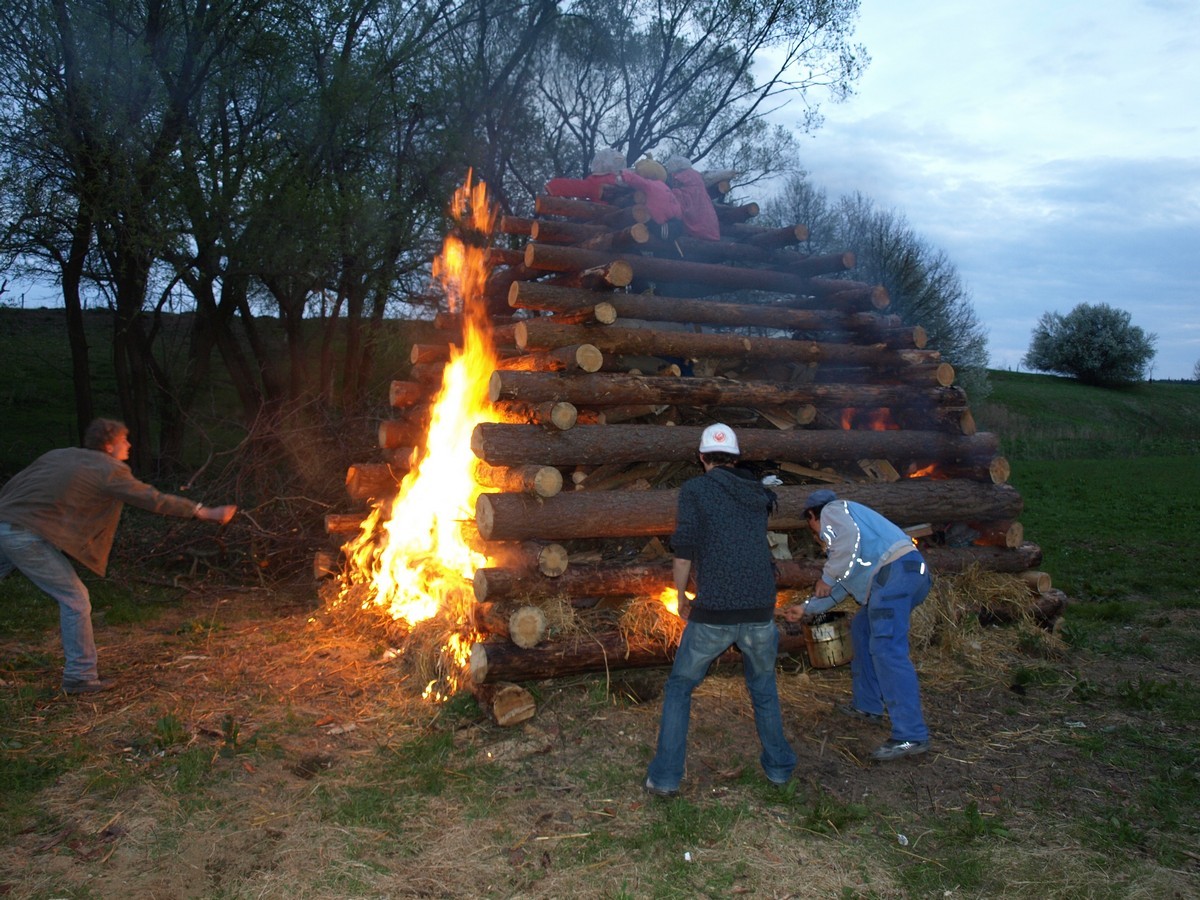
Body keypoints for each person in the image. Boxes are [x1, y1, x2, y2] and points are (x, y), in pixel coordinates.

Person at [0, 419, 236, 694]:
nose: (129, 445)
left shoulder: (60, 455)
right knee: (75, 600)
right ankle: (80, 676)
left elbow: (17, 485)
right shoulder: (109, 470)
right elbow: (152, 498)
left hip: (4, 522)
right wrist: (203, 511)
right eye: (124, 440)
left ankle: (80, 675)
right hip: (24, 535)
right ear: (109, 446)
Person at [644, 423, 797, 797]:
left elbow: (684, 551)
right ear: (735, 458)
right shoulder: (757, 492)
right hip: (760, 606)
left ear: (701, 457)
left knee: (680, 686)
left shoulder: (695, 490)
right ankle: (779, 769)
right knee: (763, 687)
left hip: (715, 609)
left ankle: (665, 778)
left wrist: (682, 597)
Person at [785, 489, 932, 761]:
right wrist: (805, 608)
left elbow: (844, 550)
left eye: (811, 525)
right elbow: (840, 587)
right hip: (905, 575)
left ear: (812, 515)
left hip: (896, 573)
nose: (818, 534)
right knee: (862, 628)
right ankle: (868, 706)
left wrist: (827, 576)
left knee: (887, 649)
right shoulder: (854, 541)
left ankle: (911, 734)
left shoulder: (834, 510)